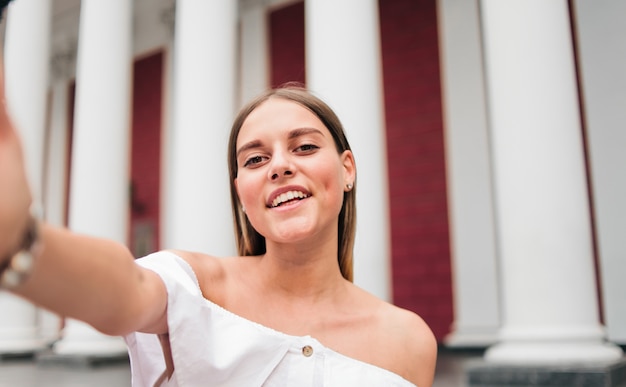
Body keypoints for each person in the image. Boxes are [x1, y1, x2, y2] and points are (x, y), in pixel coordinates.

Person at [0, 63, 437, 386]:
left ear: (347, 170)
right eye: (255, 159)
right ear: (242, 194)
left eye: (303, 147)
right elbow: (124, 292)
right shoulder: (199, 286)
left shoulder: (409, 341)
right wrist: (19, 241)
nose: (280, 166)